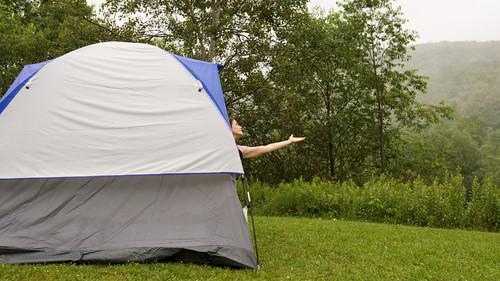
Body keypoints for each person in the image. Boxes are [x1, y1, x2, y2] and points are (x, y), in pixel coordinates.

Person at [231, 118, 305, 159]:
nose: (240, 127)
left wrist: (289, 141)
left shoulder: (240, 150)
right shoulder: (220, 146)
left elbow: (267, 148)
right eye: (236, 124)